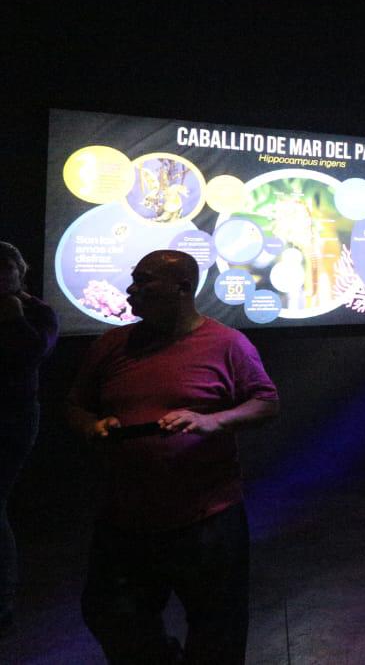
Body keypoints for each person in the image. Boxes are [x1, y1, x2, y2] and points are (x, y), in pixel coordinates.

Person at [67, 249, 279, 665]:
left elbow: (266, 403)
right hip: (125, 515)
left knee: (218, 627)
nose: (132, 289)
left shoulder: (227, 343)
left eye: (144, 280)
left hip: (206, 517)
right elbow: (75, 404)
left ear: (182, 288)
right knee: (110, 615)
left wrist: (213, 421)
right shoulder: (112, 343)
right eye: (134, 279)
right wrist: (90, 426)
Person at [0, 241, 58, 637]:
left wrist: (14, 318)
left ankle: (3, 600)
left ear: (22, 271)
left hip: (13, 417)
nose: (2, 279)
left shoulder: (38, 311)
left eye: (8, 271)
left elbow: (34, 355)